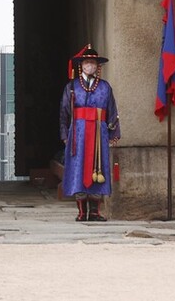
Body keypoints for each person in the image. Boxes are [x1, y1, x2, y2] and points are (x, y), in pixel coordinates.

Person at [59, 45, 120, 222]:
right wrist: (65, 134)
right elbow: (64, 111)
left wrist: (113, 133)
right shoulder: (72, 87)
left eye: (93, 63)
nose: (90, 66)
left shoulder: (105, 87)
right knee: (79, 167)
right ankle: (80, 211)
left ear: (97, 66)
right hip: (78, 132)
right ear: (81, 65)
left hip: (99, 133)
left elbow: (112, 110)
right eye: (87, 62)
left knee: (98, 166)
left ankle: (95, 211)